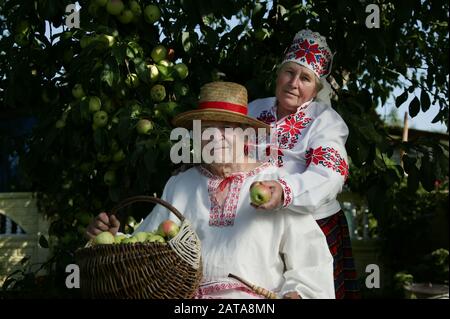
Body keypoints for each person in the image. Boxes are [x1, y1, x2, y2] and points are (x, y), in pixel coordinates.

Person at [86, 81, 335, 299]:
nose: (216, 137)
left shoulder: (275, 185)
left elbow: (311, 261)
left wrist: (298, 293)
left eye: (227, 127)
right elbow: (147, 250)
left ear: (247, 136)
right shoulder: (181, 184)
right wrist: (111, 239)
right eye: (206, 129)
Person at [247, 29, 360, 299]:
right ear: (278, 74)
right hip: (256, 223)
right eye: (289, 72)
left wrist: (284, 191)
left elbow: (330, 174)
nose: (294, 83)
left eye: (305, 78)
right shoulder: (251, 110)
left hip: (313, 227)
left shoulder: (325, 120)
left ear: (315, 89)